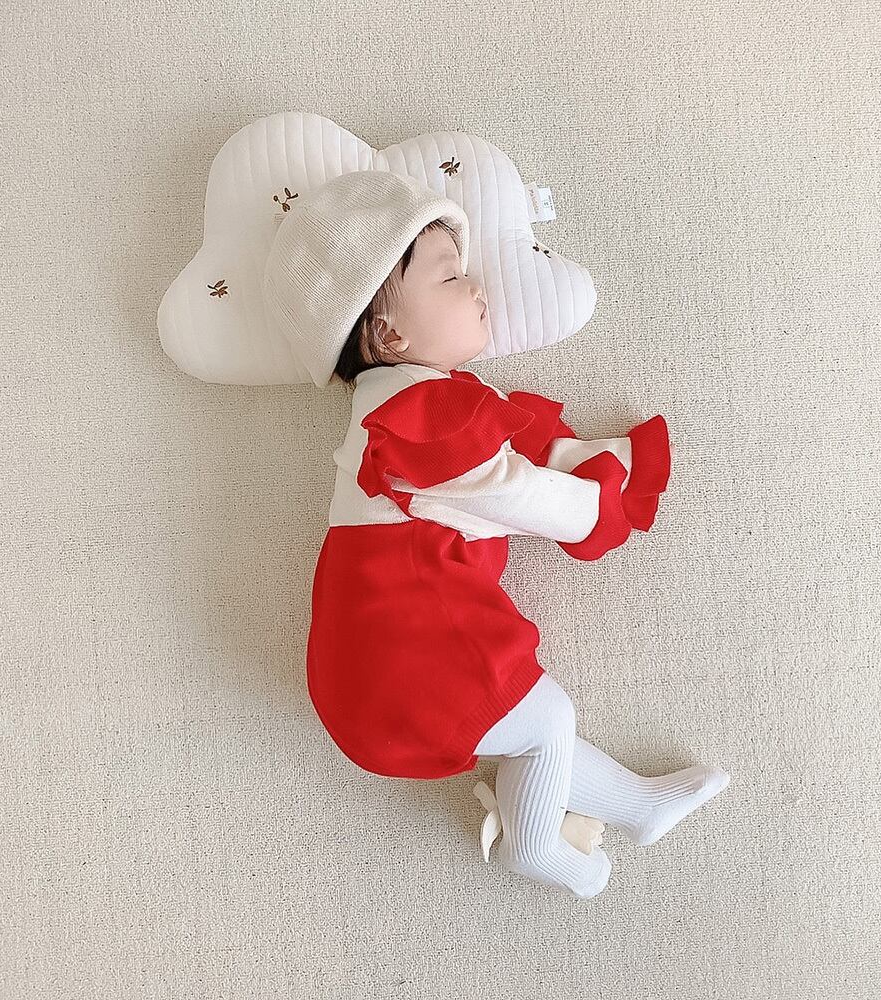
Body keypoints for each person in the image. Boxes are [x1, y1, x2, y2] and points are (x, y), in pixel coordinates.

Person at [262, 170, 730, 899]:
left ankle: (637, 808)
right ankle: (534, 848)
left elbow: (501, 470)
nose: (479, 285)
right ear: (390, 334)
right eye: (451, 276)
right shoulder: (413, 423)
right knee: (546, 719)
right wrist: (594, 506)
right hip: (403, 645)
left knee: (532, 726)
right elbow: (515, 491)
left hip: (370, 659)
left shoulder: (398, 412)